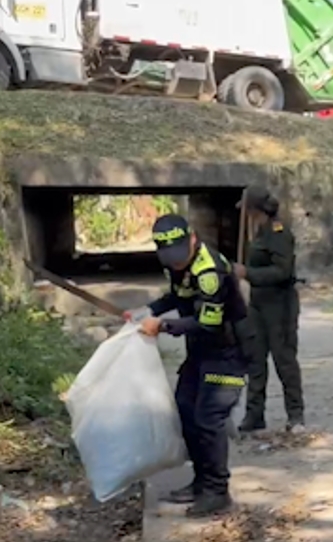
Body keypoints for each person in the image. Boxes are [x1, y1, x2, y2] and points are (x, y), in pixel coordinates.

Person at [127, 214, 253, 517]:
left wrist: (162, 325)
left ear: (193, 239)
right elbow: (179, 295)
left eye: (180, 255)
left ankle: (218, 492)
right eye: (169, 257)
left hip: (230, 353)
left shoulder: (210, 271)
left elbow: (209, 322)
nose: (176, 262)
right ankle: (201, 482)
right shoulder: (178, 265)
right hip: (201, 352)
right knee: (186, 409)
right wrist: (147, 310)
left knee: (210, 418)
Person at [233, 185, 305, 434]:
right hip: (258, 304)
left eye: (248, 210)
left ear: (256, 209)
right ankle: (255, 415)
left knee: (284, 360)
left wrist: (247, 273)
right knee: (255, 359)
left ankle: (295, 415)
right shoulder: (258, 231)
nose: (247, 215)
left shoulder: (278, 232)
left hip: (280, 305)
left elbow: (283, 271)